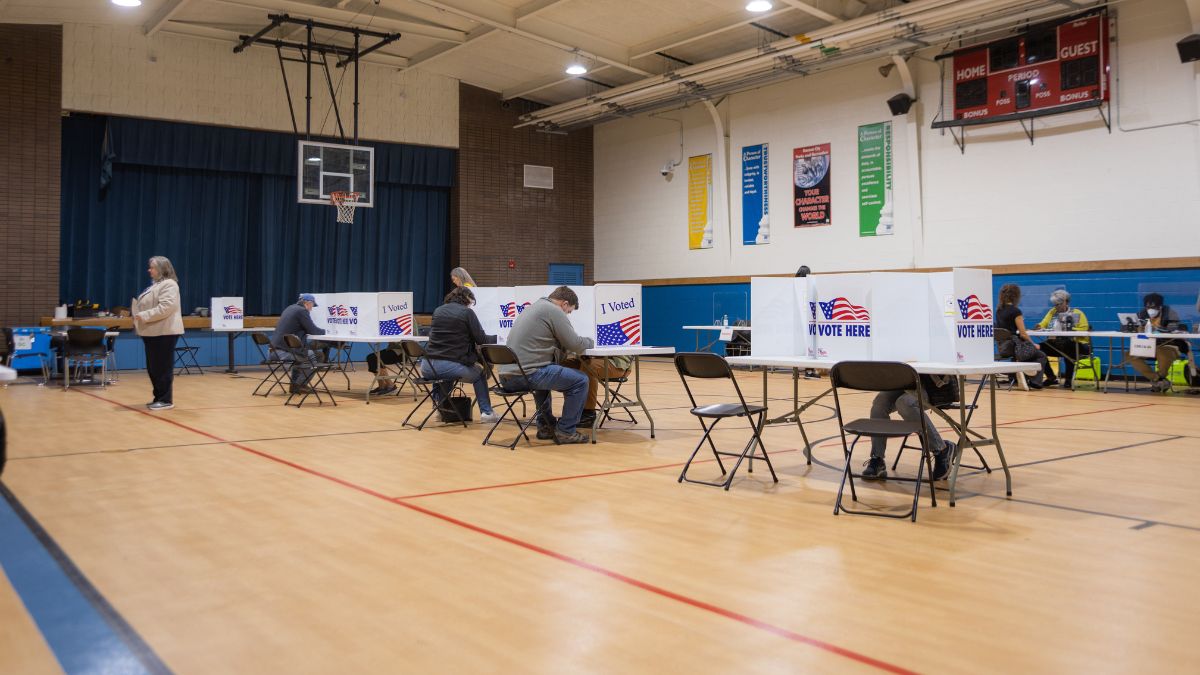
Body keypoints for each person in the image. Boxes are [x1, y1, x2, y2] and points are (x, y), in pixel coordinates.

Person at [498, 286, 594, 444]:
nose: (567, 315)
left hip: (507, 376)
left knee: (545, 373)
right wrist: (590, 341)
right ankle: (566, 431)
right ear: (564, 304)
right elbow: (575, 344)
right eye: (569, 311)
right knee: (580, 380)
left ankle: (546, 426)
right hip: (526, 375)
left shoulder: (533, 308)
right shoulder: (553, 311)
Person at [419, 286, 498, 423]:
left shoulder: (438, 310)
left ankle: (440, 410)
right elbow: (482, 340)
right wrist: (500, 337)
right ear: (466, 298)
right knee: (479, 373)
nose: (470, 304)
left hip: (427, 367)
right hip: (447, 365)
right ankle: (487, 412)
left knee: (444, 376)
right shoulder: (466, 313)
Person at [860, 376, 957, 481]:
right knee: (880, 402)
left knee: (905, 403)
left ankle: (941, 449)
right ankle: (877, 458)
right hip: (906, 383)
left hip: (934, 387)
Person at [132, 256, 185, 410]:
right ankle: (158, 397)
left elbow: (166, 308)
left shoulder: (170, 284)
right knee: (153, 368)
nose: (149, 270)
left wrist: (144, 315)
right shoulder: (155, 285)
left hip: (164, 332)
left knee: (162, 368)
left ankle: (166, 399)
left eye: (152, 267)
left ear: (162, 269)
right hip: (152, 332)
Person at [994, 283, 1051, 388]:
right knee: (1040, 355)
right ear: (1016, 296)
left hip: (1003, 347)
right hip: (1014, 347)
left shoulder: (999, 310)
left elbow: (1007, 329)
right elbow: (1023, 334)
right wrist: (1033, 344)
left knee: (1025, 354)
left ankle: (1015, 377)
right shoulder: (1016, 311)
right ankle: (1035, 382)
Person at [1127, 293, 1187, 392]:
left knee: (1162, 352)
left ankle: (1158, 381)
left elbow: (1172, 330)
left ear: (1160, 306)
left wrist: (1158, 328)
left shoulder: (1170, 313)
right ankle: (1157, 379)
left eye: (1153, 306)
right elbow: (1138, 331)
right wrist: (1136, 329)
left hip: (1169, 345)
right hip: (1149, 346)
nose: (1150, 309)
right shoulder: (1141, 314)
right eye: (1147, 307)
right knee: (1129, 354)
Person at [270, 294, 327, 393]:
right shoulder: (302, 311)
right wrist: (326, 331)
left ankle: (295, 385)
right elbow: (313, 330)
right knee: (316, 356)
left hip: (274, 350)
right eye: (312, 306)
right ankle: (300, 385)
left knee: (302, 355)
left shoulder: (290, 308)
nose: (311, 309)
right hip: (283, 352)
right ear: (308, 303)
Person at [1034, 289, 1090, 388]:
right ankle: (1051, 377)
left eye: (1058, 304)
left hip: (1079, 344)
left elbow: (1084, 329)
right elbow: (1044, 323)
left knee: (1068, 346)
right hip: (1058, 344)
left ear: (1066, 302)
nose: (1056, 307)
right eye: (1054, 304)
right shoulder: (1052, 312)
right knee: (1038, 349)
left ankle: (1068, 379)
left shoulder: (1078, 313)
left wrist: (1071, 329)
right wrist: (1039, 326)